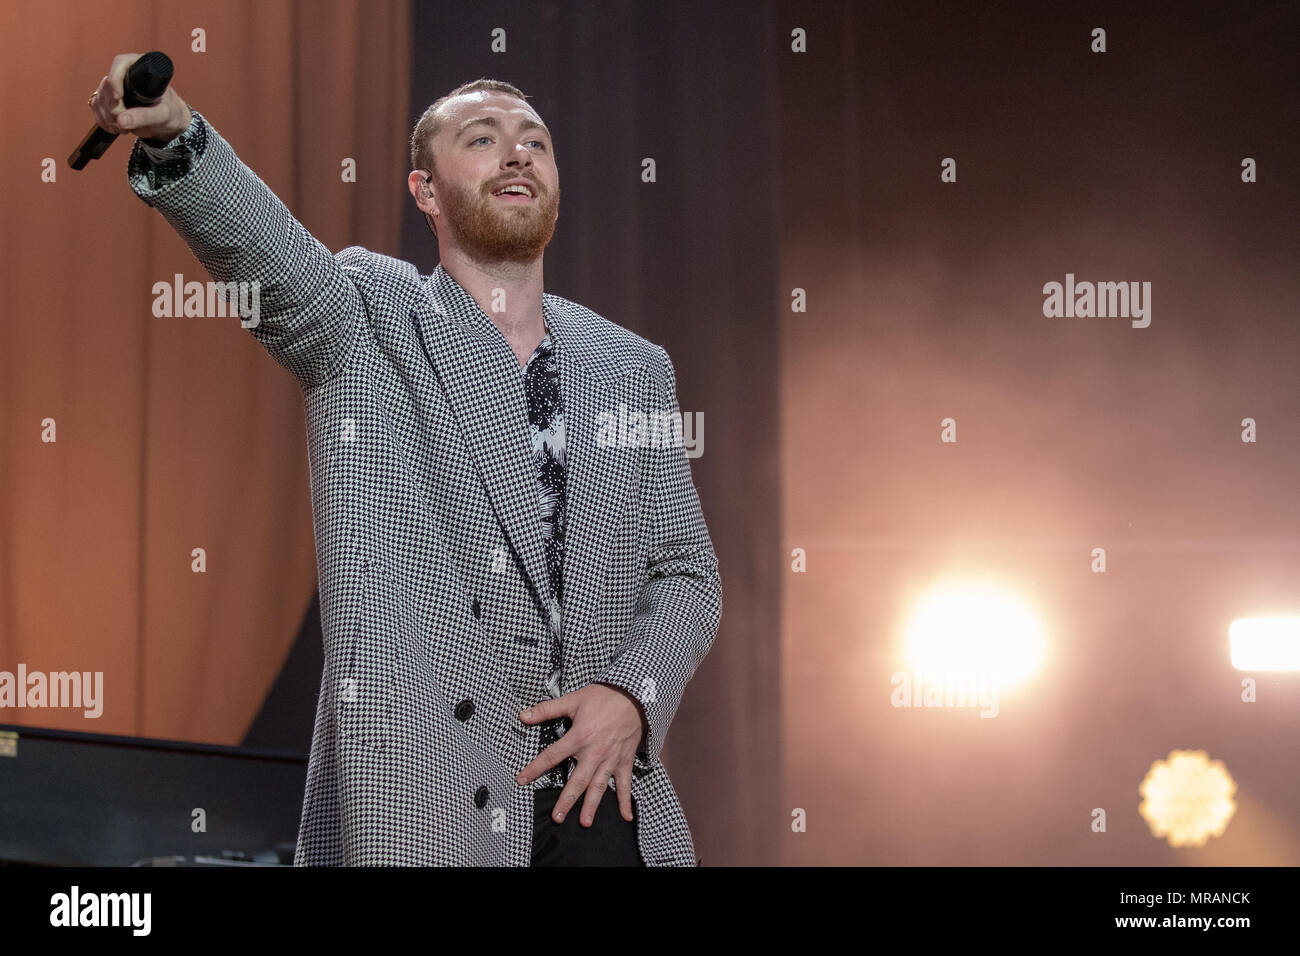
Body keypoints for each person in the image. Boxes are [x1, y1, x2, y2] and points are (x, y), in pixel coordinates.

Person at [87, 54, 722, 866]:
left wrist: (634, 696)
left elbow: (688, 575)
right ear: (424, 191)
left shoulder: (633, 366)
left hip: (602, 799)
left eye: (535, 142)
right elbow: (265, 253)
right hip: (430, 801)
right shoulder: (367, 315)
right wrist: (180, 137)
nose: (517, 154)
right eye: (483, 139)